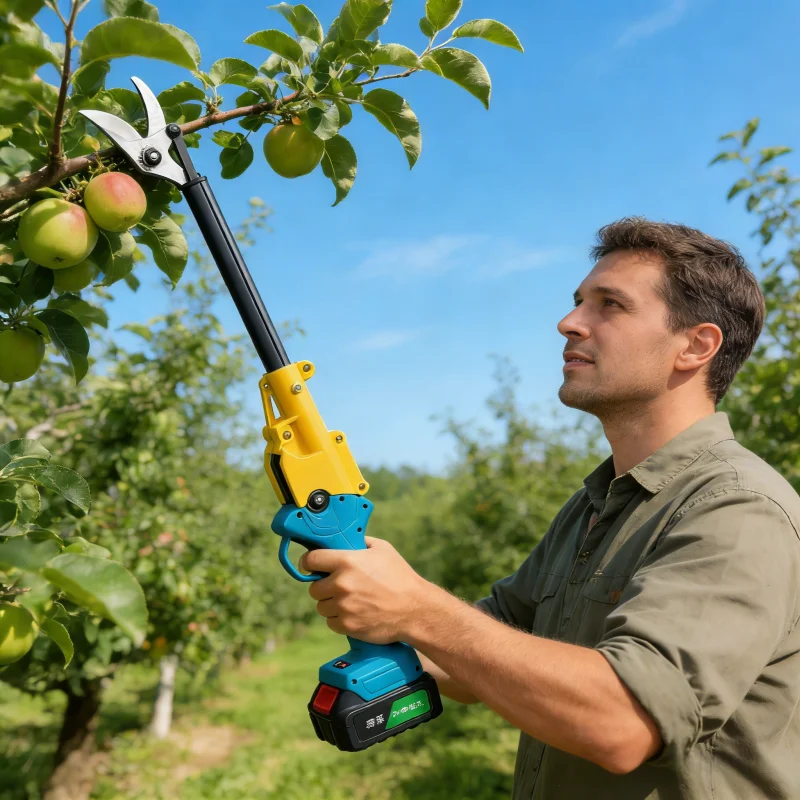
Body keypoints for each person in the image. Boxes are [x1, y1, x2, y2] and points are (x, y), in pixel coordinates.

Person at [299, 217, 800, 799]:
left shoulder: (737, 509)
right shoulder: (595, 505)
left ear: (696, 346)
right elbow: (489, 641)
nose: (568, 323)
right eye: (577, 302)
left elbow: (623, 723)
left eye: (609, 305)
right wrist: (386, 631)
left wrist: (414, 608)